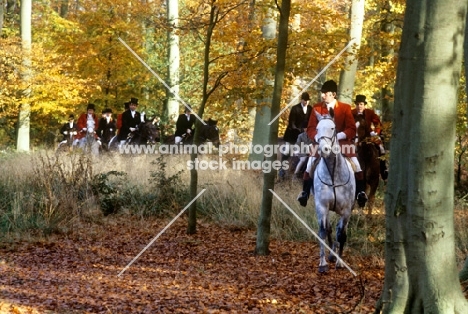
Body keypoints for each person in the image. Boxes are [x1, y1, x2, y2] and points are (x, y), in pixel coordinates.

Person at [297, 80, 367, 207]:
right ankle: (305, 193)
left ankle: (360, 193)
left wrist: (339, 135)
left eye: (325, 93)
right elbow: (311, 128)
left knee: (357, 165)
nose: (322, 95)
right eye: (322, 93)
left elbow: (351, 129)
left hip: (342, 142)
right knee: (309, 164)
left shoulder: (345, 108)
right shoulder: (317, 108)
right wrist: (318, 137)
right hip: (321, 142)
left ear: (333, 94)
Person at [351, 94, 388, 180]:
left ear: (364, 105)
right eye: (357, 104)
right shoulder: (351, 113)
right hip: (355, 136)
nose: (359, 106)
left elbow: (378, 124)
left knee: (381, 146)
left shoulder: (370, 112)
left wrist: (375, 132)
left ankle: (383, 169)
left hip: (369, 136)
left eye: (361, 104)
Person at [279, 92, 312, 178]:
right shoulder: (295, 108)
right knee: (287, 151)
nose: (306, 102)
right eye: (305, 100)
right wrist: (299, 129)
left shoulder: (310, 109)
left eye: (308, 101)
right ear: (302, 100)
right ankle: (282, 169)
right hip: (292, 134)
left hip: (304, 134)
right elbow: (292, 122)